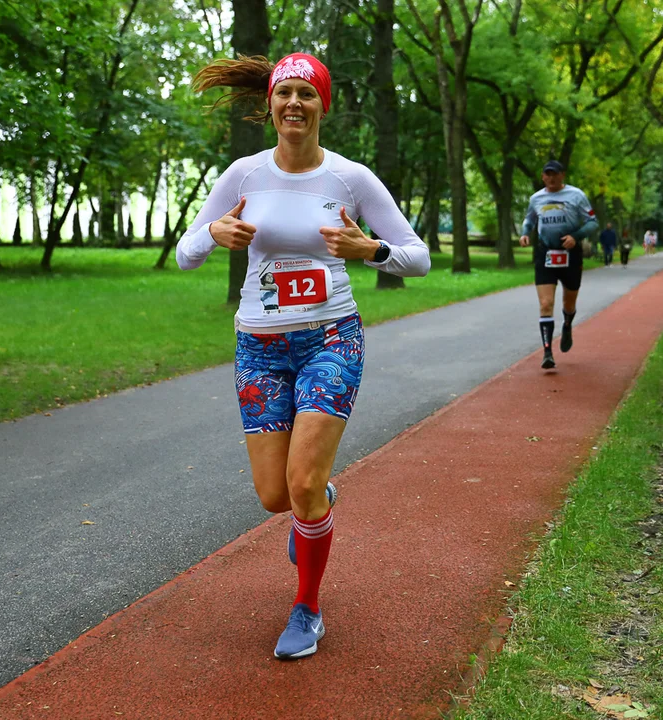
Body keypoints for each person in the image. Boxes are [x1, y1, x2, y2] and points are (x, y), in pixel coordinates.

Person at [176, 52, 431, 660]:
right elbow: (187, 253)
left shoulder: (350, 178)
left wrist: (368, 250)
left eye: (307, 94)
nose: (295, 103)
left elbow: (416, 256)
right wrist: (212, 236)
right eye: (285, 92)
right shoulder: (242, 175)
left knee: (303, 482)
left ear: (324, 105)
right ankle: (314, 504)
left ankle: (308, 607)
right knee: (275, 496)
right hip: (259, 346)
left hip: (330, 338)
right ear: (270, 104)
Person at [519, 160, 598, 370]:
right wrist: (525, 233)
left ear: (562, 175)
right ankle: (547, 352)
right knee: (546, 304)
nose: (551, 178)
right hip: (545, 253)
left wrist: (576, 235)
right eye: (547, 174)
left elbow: (592, 222)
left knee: (568, 303)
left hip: (570, 254)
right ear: (543, 176)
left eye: (555, 174)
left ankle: (567, 324)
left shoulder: (576, 195)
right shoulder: (537, 198)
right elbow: (530, 219)